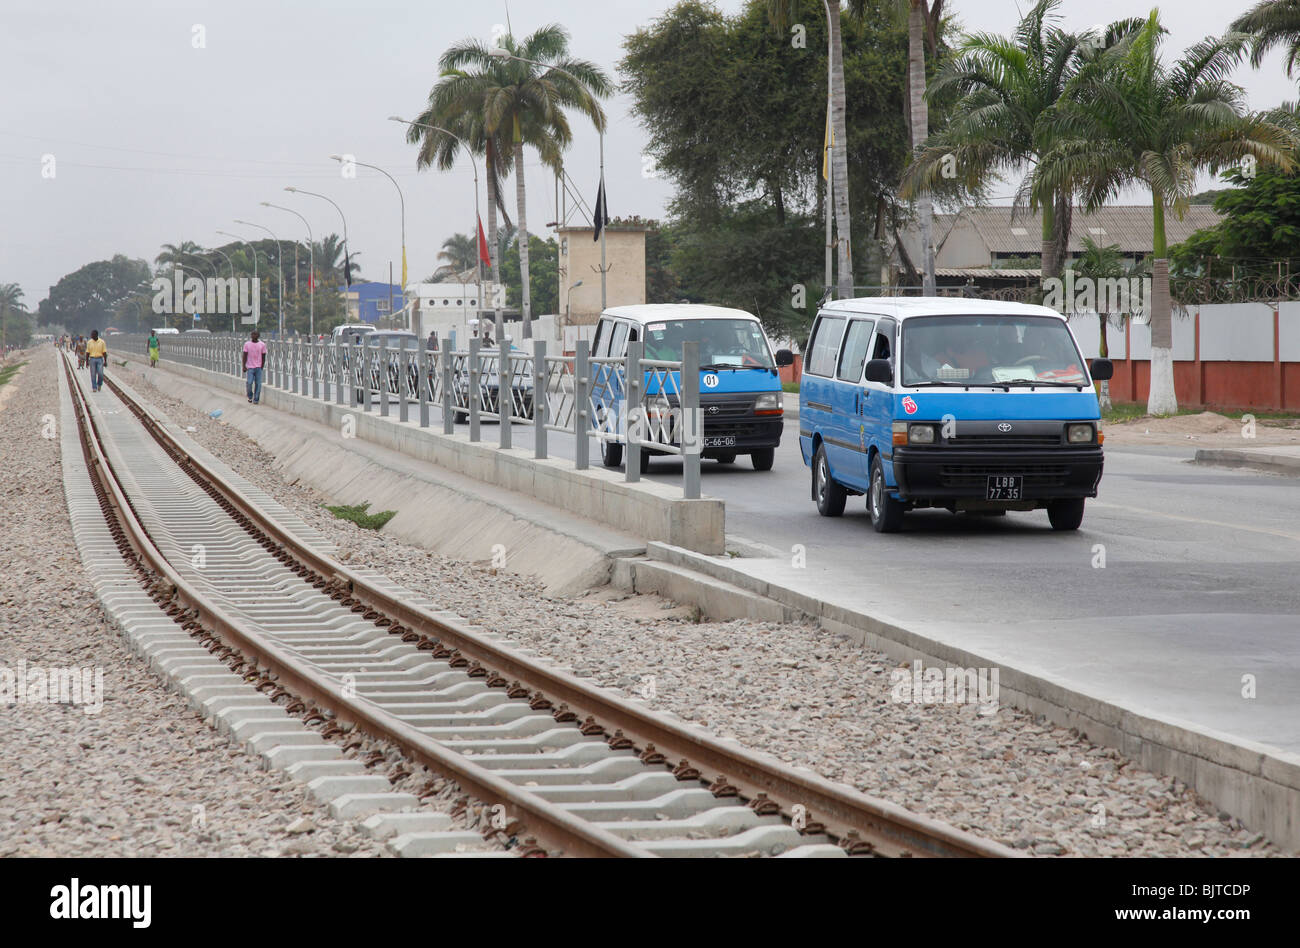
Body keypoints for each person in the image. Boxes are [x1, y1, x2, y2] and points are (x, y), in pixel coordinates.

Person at [242, 329, 268, 404]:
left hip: (258, 367)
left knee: (258, 384)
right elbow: (244, 356)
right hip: (250, 367)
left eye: (255, 334)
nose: (253, 336)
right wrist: (244, 366)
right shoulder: (247, 344)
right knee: (249, 383)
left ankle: (256, 399)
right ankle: (250, 395)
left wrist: (262, 366)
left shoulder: (262, 345)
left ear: (258, 336)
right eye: (252, 334)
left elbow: (263, 356)